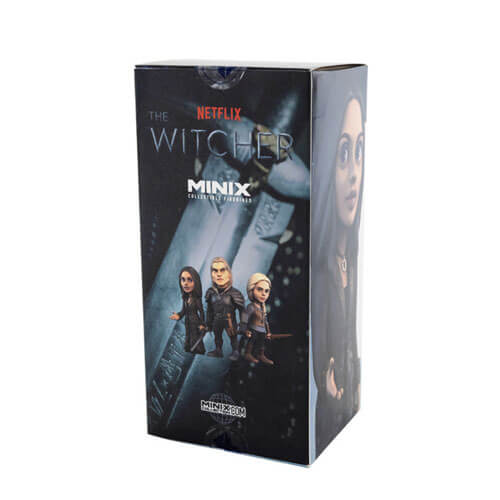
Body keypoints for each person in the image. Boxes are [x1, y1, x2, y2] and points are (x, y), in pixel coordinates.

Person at [312, 70, 366, 455]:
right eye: (343, 154)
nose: (354, 175)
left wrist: (359, 377)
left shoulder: (353, 256)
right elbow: (318, 339)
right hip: (329, 411)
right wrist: (325, 383)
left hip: (351, 404)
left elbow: (353, 334)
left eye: (360, 151)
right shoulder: (321, 265)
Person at [205, 257, 245, 360]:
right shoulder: (210, 292)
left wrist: (243, 325)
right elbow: (209, 310)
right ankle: (218, 350)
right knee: (217, 336)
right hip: (217, 319)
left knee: (233, 337)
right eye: (215, 271)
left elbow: (242, 310)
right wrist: (208, 323)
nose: (219, 274)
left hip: (229, 320)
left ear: (229, 273)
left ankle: (235, 351)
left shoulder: (234, 293)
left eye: (222, 270)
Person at [169, 266, 206, 354]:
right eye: (183, 280)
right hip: (187, 321)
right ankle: (188, 348)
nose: (186, 283)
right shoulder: (185, 298)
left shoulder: (197, 299)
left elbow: (201, 312)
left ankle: (198, 350)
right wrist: (178, 315)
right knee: (188, 334)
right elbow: (184, 310)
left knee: (195, 336)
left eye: (190, 280)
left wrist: (202, 324)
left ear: (195, 282)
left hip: (195, 321)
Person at [239, 273, 274, 366]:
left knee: (261, 342)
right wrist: (244, 330)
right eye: (259, 289)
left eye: (266, 291)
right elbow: (244, 318)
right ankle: (247, 353)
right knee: (252, 340)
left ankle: (260, 354)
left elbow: (265, 320)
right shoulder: (251, 307)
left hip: (262, 329)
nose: (263, 294)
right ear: (252, 289)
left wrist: (268, 331)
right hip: (254, 328)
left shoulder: (263, 307)